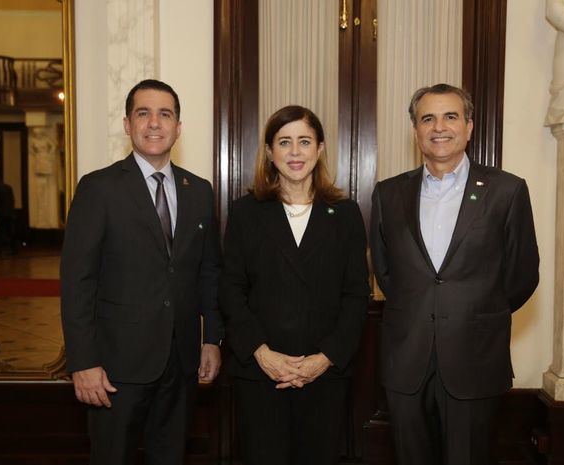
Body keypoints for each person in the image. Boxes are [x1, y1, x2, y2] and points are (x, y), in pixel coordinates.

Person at [370, 83, 539, 465]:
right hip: (407, 356)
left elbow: (522, 274)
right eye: (427, 118)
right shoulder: (388, 194)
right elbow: (385, 271)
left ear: (469, 126)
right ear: (415, 130)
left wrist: (473, 311)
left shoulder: (506, 191)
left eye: (450, 116)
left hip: (474, 356)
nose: (439, 127)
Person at [60, 79, 223, 465]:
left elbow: (209, 273)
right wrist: (83, 361)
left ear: (178, 127)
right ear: (127, 124)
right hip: (115, 368)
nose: (154, 123)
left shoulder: (199, 191)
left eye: (165, 114)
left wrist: (212, 338)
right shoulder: (98, 189)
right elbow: (77, 281)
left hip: (181, 363)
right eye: (143, 113)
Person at [219, 105, 369, 465]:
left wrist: (324, 358)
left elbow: (355, 295)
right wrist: (262, 353)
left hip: (324, 375)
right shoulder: (246, 212)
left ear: (319, 149)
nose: (295, 152)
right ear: (270, 152)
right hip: (260, 373)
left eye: (304, 141)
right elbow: (230, 290)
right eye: (284, 142)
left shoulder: (345, 214)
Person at [0, 176, 17, 257]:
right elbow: (13, 200)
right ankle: (14, 250)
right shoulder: (9, 187)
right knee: (11, 232)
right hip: (10, 213)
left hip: (1, 214)